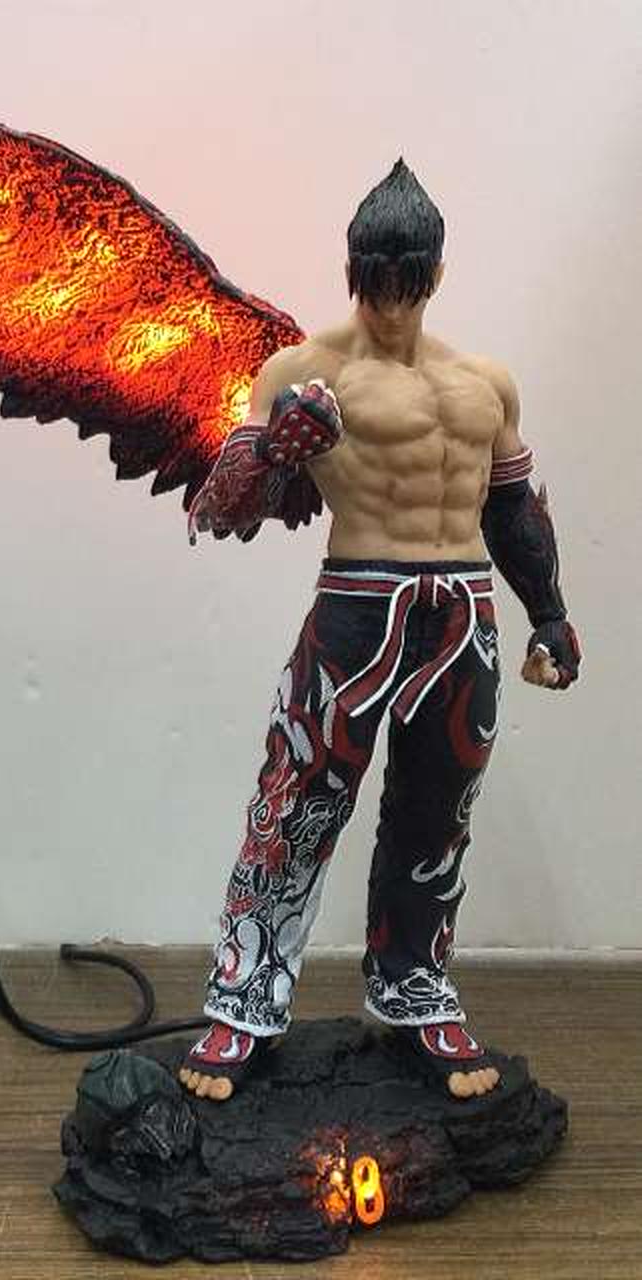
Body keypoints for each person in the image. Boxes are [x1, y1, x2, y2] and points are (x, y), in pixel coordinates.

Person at [180, 158, 582, 1103]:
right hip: (357, 608)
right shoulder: (301, 373)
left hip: (463, 618)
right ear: (351, 270)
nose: (393, 300)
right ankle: (244, 1000)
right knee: (297, 802)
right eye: (377, 279)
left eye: (409, 279)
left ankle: (414, 987)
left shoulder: (485, 383)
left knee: (437, 813)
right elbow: (219, 508)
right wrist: (275, 451)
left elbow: (513, 509)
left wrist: (551, 613)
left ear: (435, 273)